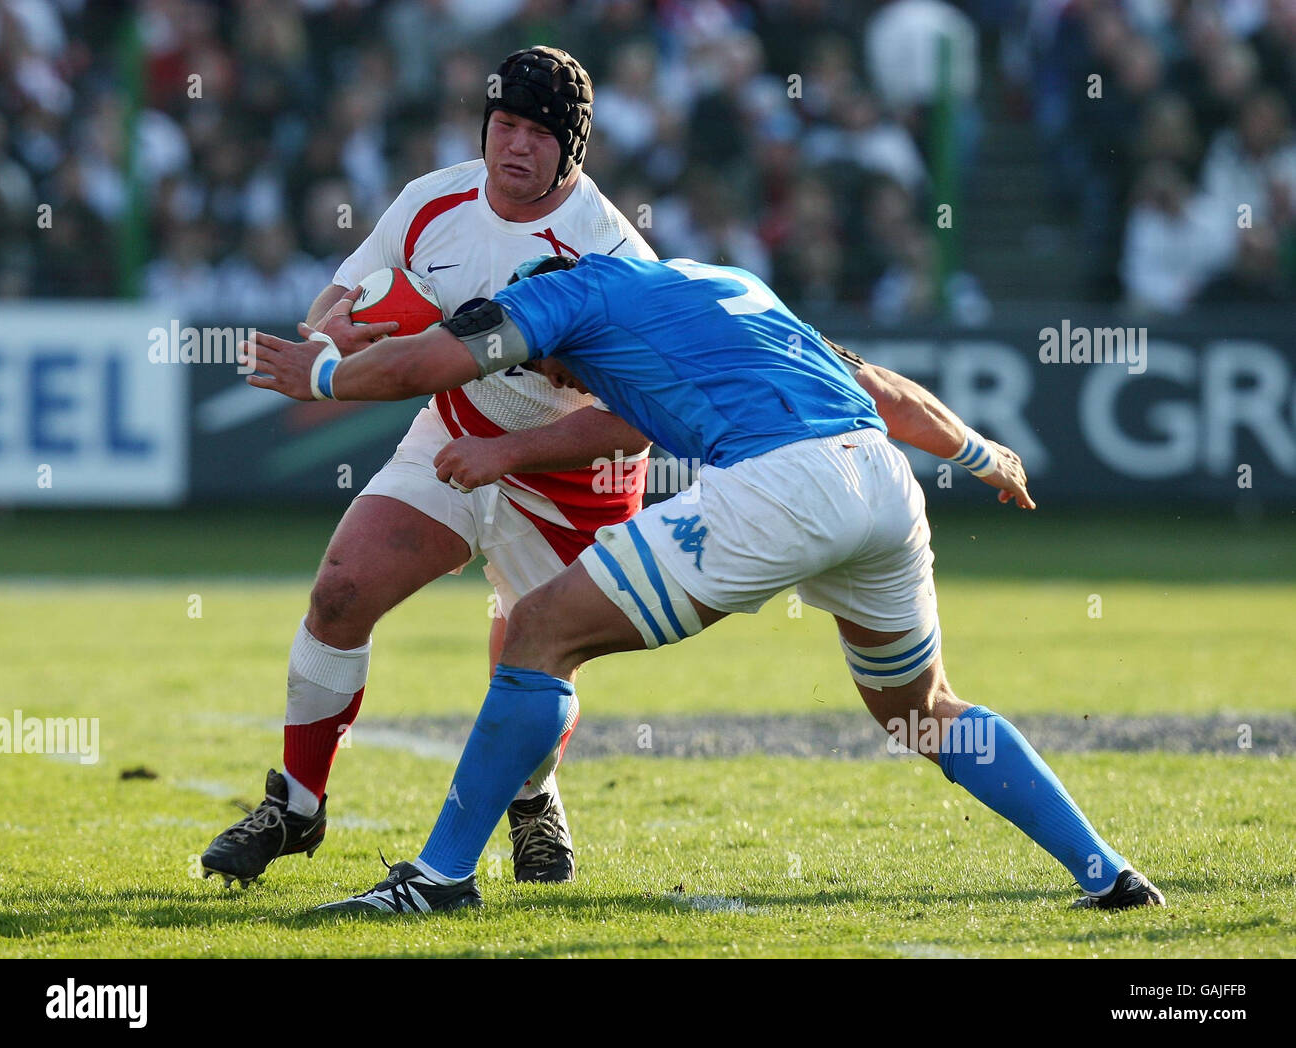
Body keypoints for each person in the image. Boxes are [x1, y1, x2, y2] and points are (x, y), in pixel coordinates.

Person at [242, 253, 1166, 915]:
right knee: (920, 707)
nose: (553, 380)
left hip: (779, 484)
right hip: (881, 480)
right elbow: (879, 388)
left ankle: (438, 879)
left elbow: (426, 362)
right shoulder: (732, 285)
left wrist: (323, 370)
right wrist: (979, 451)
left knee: (537, 632)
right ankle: (1107, 872)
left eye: (541, 364)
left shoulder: (565, 292)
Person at [200, 46, 655, 889]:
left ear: (573, 148)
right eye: (503, 124)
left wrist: (509, 454)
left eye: (536, 133)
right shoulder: (431, 202)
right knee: (340, 591)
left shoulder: (611, 254)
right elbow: (333, 308)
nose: (514, 145)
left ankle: (535, 796)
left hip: (570, 477)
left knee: (531, 658)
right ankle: (296, 806)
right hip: (452, 435)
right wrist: (339, 332)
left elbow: (634, 424)